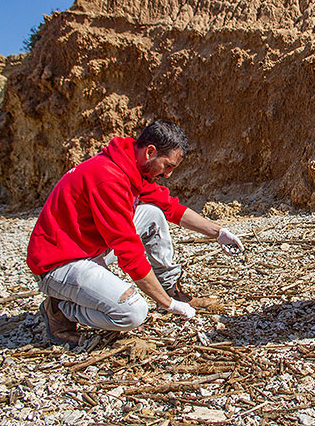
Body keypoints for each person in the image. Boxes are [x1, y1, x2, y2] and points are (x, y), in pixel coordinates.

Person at [27, 120, 244, 347]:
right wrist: (167, 304)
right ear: (150, 151)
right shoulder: (108, 179)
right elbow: (128, 252)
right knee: (132, 313)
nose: (169, 174)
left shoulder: (133, 166)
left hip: (88, 248)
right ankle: (60, 309)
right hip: (59, 263)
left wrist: (219, 232)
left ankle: (169, 287)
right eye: (168, 166)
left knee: (152, 213)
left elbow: (170, 207)